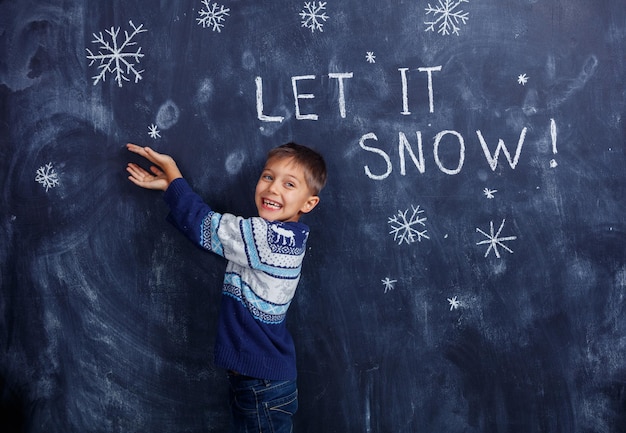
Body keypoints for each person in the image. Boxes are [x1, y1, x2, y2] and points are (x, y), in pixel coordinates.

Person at [126, 142, 327, 433]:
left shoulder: (267, 239)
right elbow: (224, 238)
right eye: (268, 177)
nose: (273, 189)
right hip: (261, 380)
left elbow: (207, 226)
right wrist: (170, 186)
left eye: (289, 184)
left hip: (262, 384)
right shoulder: (288, 237)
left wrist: (174, 179)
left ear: (308, 203)